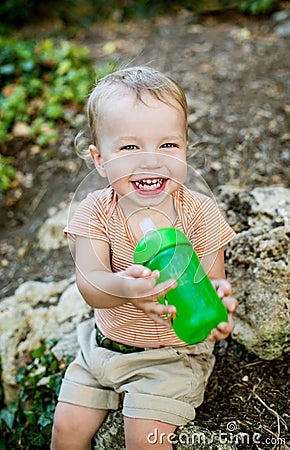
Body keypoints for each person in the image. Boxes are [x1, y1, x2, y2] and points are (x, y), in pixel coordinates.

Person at [51, 66, 237, 450]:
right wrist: (124, 288)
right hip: (100, 349)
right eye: (130, 147)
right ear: (100, 160)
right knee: (66, 430)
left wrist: (220, 305)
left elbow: (213, 279)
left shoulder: (198, 212)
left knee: (144, 439)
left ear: (186, 149)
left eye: (168, 145)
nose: (151, 161)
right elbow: (91, 283)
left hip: (170, 358)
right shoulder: (95, 211)